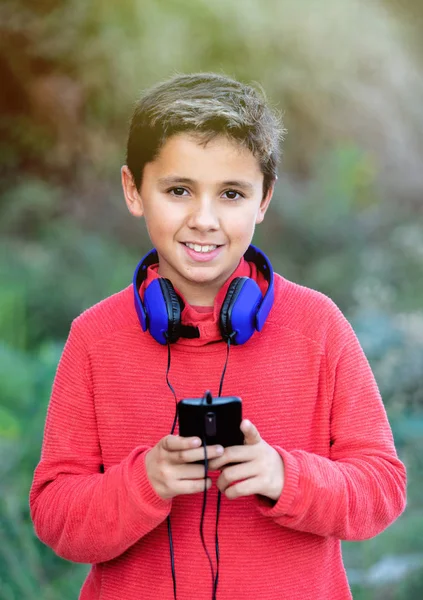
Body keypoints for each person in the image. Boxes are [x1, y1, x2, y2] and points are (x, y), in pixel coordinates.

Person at [30, 72, 406, 600]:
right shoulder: (94, 337)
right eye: (179, 190)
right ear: (134, 190)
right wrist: (146, 482)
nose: (204, 219)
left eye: (231, 193)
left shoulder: (318, 326)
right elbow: (55, 516)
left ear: (264, 199)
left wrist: (284, 475)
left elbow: (382, 490)